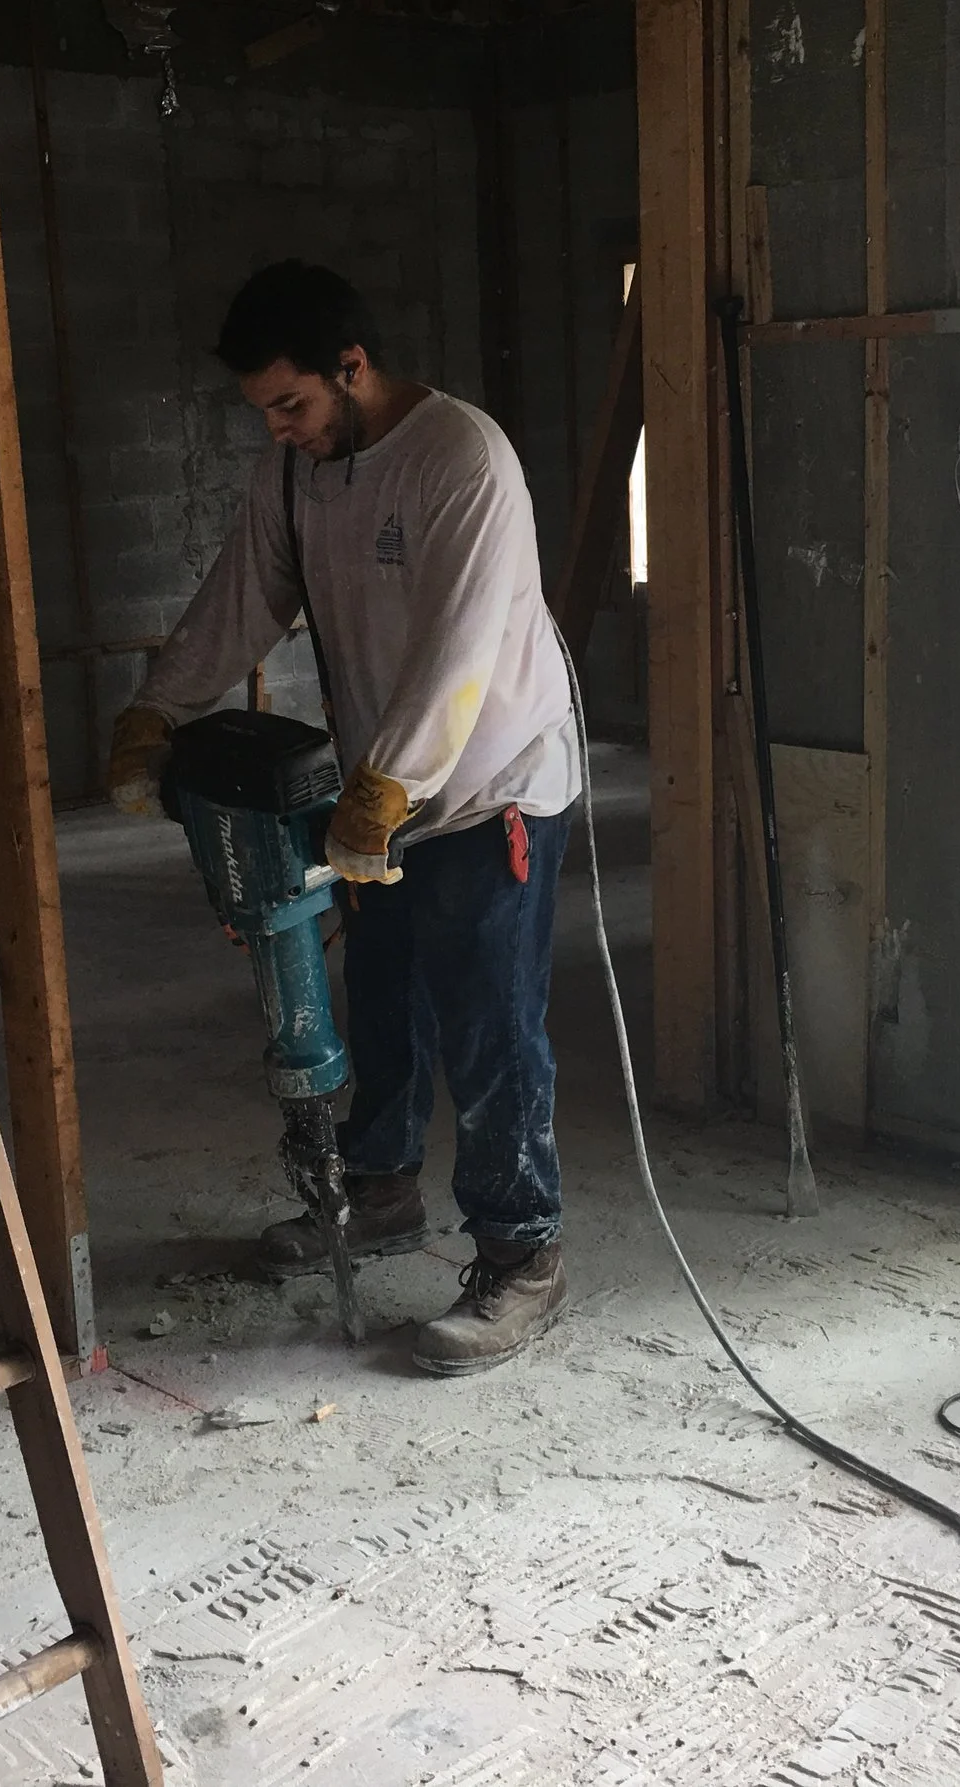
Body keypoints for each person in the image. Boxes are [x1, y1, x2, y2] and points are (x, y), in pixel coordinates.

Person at [106, 261, 581, 1377]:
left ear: (352, 368)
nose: (279, 430)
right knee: (379, 1003)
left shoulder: (462, 458)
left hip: (489, 783)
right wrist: (157, 706)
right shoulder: (295, 476)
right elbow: (242, 597)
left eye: (294, 404)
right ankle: (377, 1197)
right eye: (263, 411)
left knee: (488, 1024)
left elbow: (463, 644)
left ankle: (524, 1254)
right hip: (385, 793)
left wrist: (387, 787)